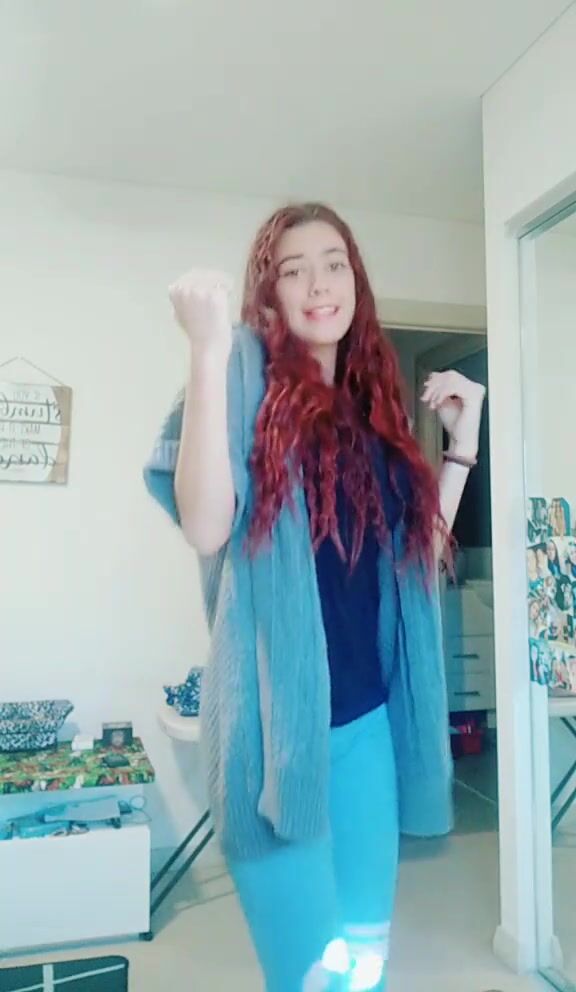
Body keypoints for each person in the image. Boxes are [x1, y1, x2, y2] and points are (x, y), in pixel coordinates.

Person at [143, 203, 485, 992]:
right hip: (272, 742)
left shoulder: (373, 417)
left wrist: (462, 446)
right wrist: (204, 350)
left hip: (367, 731)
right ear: (270, 293)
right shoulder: (241, 388)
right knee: (311, 978)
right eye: (293, 271)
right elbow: (204, 525)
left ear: (356, 282)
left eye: (334, 265)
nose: (318, 285)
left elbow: (415, 561)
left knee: (364, 968)